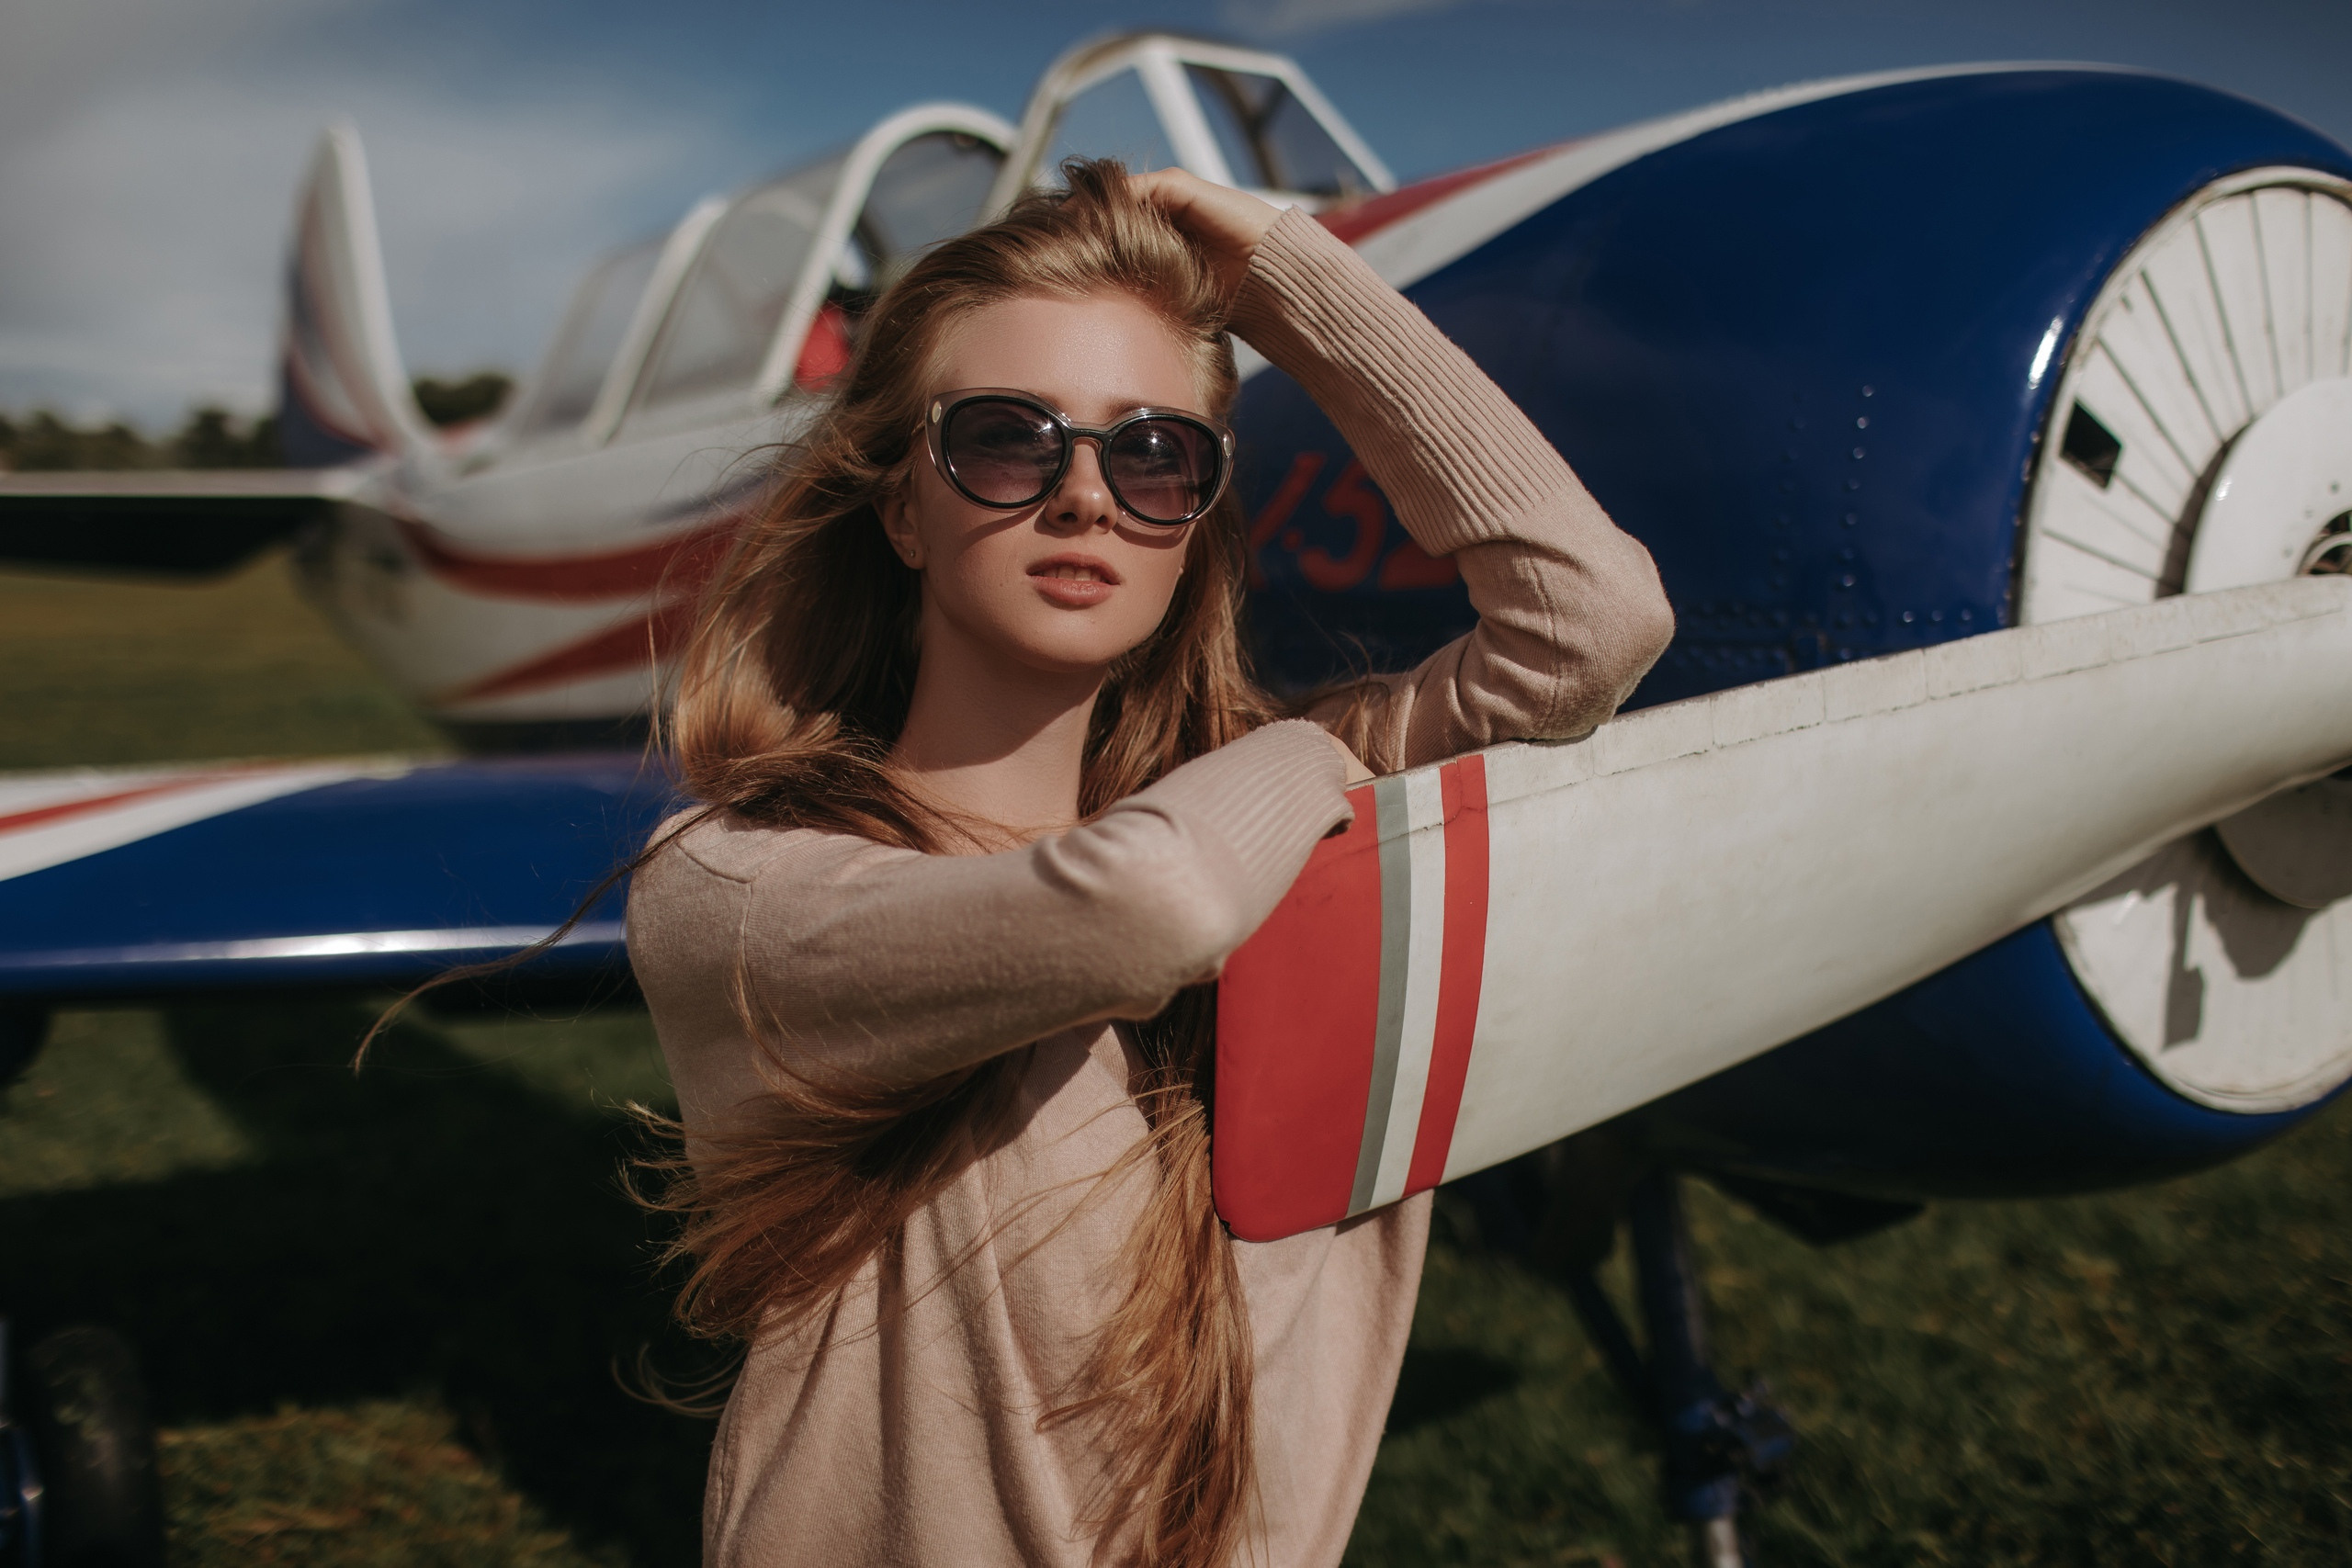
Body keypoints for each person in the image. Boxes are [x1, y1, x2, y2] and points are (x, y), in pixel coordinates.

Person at [626, 159, 1674, 1568]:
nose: (1085, 497)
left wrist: (1298, 284)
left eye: (1155, 454)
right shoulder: (735, 889)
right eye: (1006, 442)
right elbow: (1150, 907)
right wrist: (1328, 761)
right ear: (901, 509)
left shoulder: (1244, 820)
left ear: (1195, 520)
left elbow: (1593, 624)